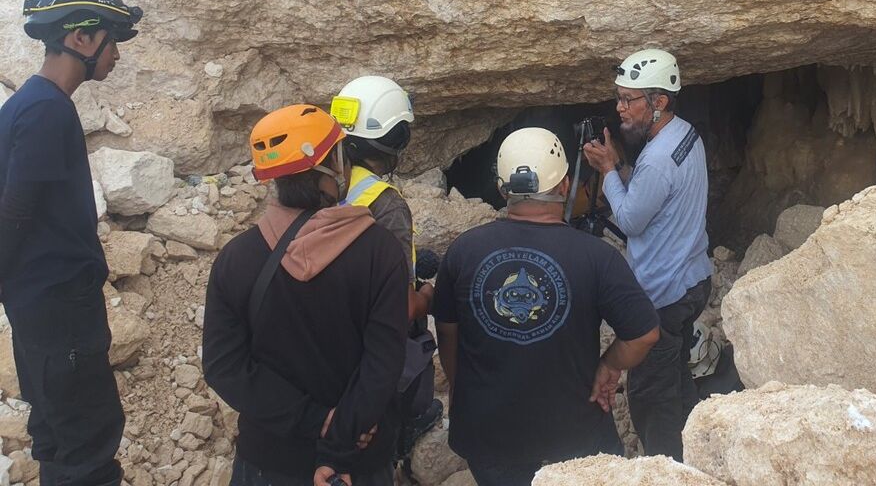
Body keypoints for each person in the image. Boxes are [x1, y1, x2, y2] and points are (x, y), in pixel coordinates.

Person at [433, 127, 659, 486]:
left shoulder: (463, 252)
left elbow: (447, 334)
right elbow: (644, 333)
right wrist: (608, 365)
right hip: (574, 436)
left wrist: (469, 392)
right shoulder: (597, 257)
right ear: (566, 185)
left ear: (502, 189)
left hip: (488, 435)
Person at [202, 105, 408, 486]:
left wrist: (314, 419)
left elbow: (224, 366)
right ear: (329, 165)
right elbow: (384, 361)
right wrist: (340, 433)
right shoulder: (380, 250)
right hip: (358, 459)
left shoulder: (236, 259)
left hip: (268, 460)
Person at [0, 0, 143, 486]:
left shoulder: (24, 105)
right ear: (80, 38)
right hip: (60, 312)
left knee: (59, 436)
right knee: (86, 443)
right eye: (111, 39)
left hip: (40, 308)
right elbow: (16, 210)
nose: (117, 56)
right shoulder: (46, 111)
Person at [582, 48, 713, 461]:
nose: (620, 108)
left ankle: (667, 466)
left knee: (651, 397)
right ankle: (698, 449)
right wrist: (620, 165)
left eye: (628, 100)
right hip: (693, 279)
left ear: (659, 102)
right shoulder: (686, 135)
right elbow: (649, 195)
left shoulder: (656, 160)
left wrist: (606, 171)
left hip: (663, 295)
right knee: (675, 375)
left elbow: (629, 218)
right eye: (619, 98)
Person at [329, 76, 440, 461]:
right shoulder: (386, 204)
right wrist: (427, 296)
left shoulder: (322, 186)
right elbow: (399, 307)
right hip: (375, 352)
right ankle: (403, 428)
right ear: (396, 142)